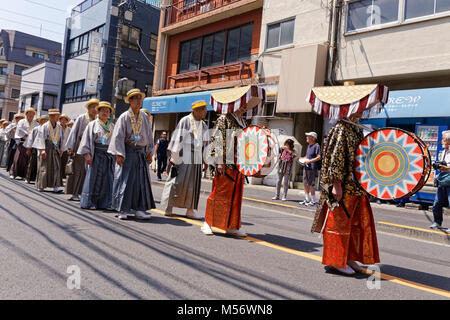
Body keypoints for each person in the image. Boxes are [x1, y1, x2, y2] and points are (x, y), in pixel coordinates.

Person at [311, 111, 380, 276]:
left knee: (354, 225)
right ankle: (336, 260)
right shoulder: (342, 127)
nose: (362, 111)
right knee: (339, 224)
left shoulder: (355, 128)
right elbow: (336, 157)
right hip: (345, 186)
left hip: (357, 186)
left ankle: (347, 257)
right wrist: (336, 184)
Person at [202, 104, 249, 237]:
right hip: (225, 162)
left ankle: (232, 225)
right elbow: (217, 139)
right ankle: (207, 222)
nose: (245, 107)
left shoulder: (243, 122)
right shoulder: (224, 119)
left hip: (238, 163)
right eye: (242, 104)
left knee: (235, 196)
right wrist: (219, 161)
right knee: (219, 193)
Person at [108, 88, 155, 220]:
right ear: (130, 101)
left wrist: (150, 151)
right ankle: (123, 209)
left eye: (140, 98)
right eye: (136, 98)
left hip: (141, 152)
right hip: (127, 151)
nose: (139, 101)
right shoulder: (124, 116)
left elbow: (149, 136)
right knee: (125, 181)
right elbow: (118, 136)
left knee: (141, 182)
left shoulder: (144, 117)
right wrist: (119, 153)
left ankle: (139, 209)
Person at [160, 101, 209, 219]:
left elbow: (206, 144)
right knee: (176, 181)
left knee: (194, 183)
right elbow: (177, 139)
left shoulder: (204, 125)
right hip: (183, 155)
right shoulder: (185, 121)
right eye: (203, 109)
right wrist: (174, 158)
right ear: (196, 110)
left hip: (196, 156)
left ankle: (190, 209)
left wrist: (205, 160)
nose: (205, 112)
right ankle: (169, 206)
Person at [78, 101, 115, 210]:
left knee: (108, 179)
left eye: (107, 111)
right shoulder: (92, 124)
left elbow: (116, 141)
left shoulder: (112, 126)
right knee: (93, 178)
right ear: (98, 112)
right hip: (96, 153)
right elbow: (85, 140)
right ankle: (90, 202)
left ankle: (106, 203)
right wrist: (87, 154)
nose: (105, 113)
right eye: (102, 110)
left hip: (108, 155)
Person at [63, 99, 99, 201]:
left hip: (94, 148)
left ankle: (86, 193)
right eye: (92, 107)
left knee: (89, 172)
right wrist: (71, 147)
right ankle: (75, 193)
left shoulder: (98, 120)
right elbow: (73, 133)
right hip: (80, 148)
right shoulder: (81, 118)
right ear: (88, 108)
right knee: (79, 171)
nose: (94, 109)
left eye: (96, 107)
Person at [33, 109, 63, 192]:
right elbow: (41, 138)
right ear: (51, 116)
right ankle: (41, 185)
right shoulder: (45, 126)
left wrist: (61, 150)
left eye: (57, 116)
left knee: (56, 167)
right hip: (46, 147)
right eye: (55, 116)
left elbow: (62, 139)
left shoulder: (59, 127)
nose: (57, 117)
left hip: (55, 147)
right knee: (44, 166)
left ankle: (55, 186)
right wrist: (42, 150)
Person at [430, 131, 450, 233]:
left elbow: (447, 167)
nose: (442, 141)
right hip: (443, 180)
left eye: (443, 139)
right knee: (437, 203)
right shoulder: (443, 152)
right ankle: (437, 222)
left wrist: (446, 168)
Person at [10, 108, 39, 180]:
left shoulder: (36, 123)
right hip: (22, 141)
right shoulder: (21, 121)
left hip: (30, 143)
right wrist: (25, 133)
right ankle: (14, 173)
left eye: (32, 114)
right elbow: (19, 129)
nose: (31, 115)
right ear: (26, 114)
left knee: (27, 159)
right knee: (18, 158)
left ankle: (24, 175)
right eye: (29, 113)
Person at [299, 132, 321, 206]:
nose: (307, 138)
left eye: (308, 136)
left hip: (312, 167)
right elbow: (307, 156)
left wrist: (309, 161)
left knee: (311, 184)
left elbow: (318, 157)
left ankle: (313, 201)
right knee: (305, 183)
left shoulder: (316, 146)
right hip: (306, 167)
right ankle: (307, 199)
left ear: (313, 138)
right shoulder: (309, 146)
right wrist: (302, 158)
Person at [24, 115, 48, 184]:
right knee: (32, 163)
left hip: (44, 148)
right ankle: (28, 178)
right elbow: (30, 139)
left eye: (46, 120)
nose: (45, 121)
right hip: (35, 147)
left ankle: (38, 179)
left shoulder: (48, 129)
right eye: (43, 120)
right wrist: (28, 148)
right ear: (40, 121)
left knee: (41, 164)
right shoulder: (36, 128)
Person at [59, 114, 71, 183]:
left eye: (65, 120)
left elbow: (70, 140)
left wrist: (69, 148)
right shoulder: (57, 127)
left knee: (64, 163)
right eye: (62, 119)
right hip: (57, 148)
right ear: (60, 120)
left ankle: (61, 179)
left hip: (65, 149)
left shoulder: (69, 129)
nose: (63, 121)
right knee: (57, 164)